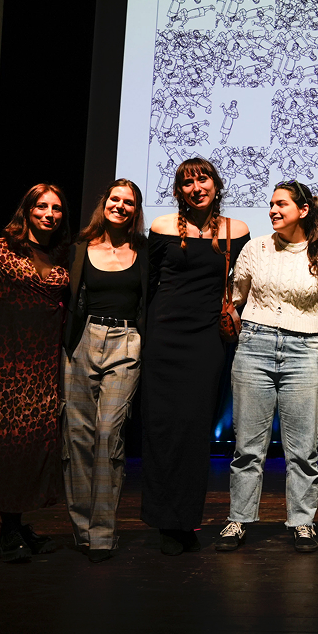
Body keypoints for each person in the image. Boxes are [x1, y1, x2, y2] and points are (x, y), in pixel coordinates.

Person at [215, 180, 318, 554]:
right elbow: (234, 296)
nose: (273, 210)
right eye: (270, 204)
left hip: (304, 350)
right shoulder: (256, 248)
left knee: (302, 448)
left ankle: (303, 522)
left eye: (281, 204)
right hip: (254, 346)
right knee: (247, 448)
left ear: (303, 210)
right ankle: (237, 519)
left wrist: (305, 328)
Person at [142, 158, 249, 556]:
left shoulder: (237, 231)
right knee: (161, 429)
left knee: (193, 430)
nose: (196, 187)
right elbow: (148, 285)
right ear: (178, 190)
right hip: (164, 339)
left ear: (216, 185)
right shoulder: (162, 228)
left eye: (203, 179)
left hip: (206, 341)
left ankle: (186, 519)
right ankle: (163, 521)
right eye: (188, 182)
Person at [0, 184, 70, 562]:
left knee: (32, 444)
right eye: (41, 206)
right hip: (7, 359)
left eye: (56, 208)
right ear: (27, 210)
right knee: (5, 443)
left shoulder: (63, 254)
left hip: (45, 360)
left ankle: (16, 525)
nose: (49, 213)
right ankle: (9, 529)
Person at [61, 179, 148, 563]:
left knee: (109, 433)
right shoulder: (80, 247)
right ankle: (82, 529)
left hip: (126, 340)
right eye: (115, 199)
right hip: (83, 339)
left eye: (129, 202)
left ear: (136, 210)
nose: (121, 206)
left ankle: (103, 531)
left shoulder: (144, 251)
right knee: (78, 435)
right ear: (105, 203)